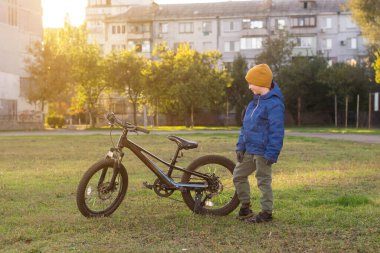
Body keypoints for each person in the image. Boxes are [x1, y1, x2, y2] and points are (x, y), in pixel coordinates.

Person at [233, 63, 285, 223]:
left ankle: (266, 212)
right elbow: (245, 127)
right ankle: (246, 207)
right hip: (249, 150)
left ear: (261, 83)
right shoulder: (253, 103)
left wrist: (272, 153)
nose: (249, 87)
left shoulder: (274, 104)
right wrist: (240, 146)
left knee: (263, 181)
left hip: (263, 152)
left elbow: (277, 132)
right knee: (238, 175)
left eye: (251, 83)